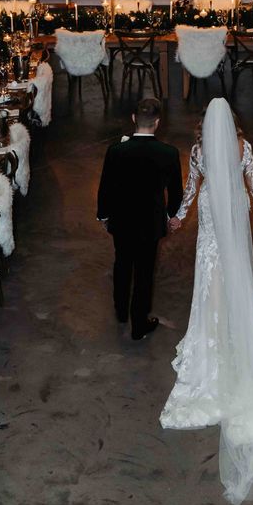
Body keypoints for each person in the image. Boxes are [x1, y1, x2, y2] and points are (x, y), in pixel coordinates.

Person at [160, 98, 253, 505]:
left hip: (209, 211)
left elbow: (191, 188)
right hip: (233, 207)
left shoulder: (201, 150)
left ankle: (212, 324)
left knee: (210, 272)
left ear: (206, 124)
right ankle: (238, 324)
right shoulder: (245, 147)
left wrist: (180, 217)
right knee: (236, 265)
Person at [97, 97, 183, 340]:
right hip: (150, 221)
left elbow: (106, 188)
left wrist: (103, 215)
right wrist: (171, 215)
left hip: (122, 219)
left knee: (122, 263)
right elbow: (176, 192)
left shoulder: (116, 151)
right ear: (157, 122)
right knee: (145, 272)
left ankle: (121, 311)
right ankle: (138, 324)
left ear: (133, 119)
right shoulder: (169, 153)